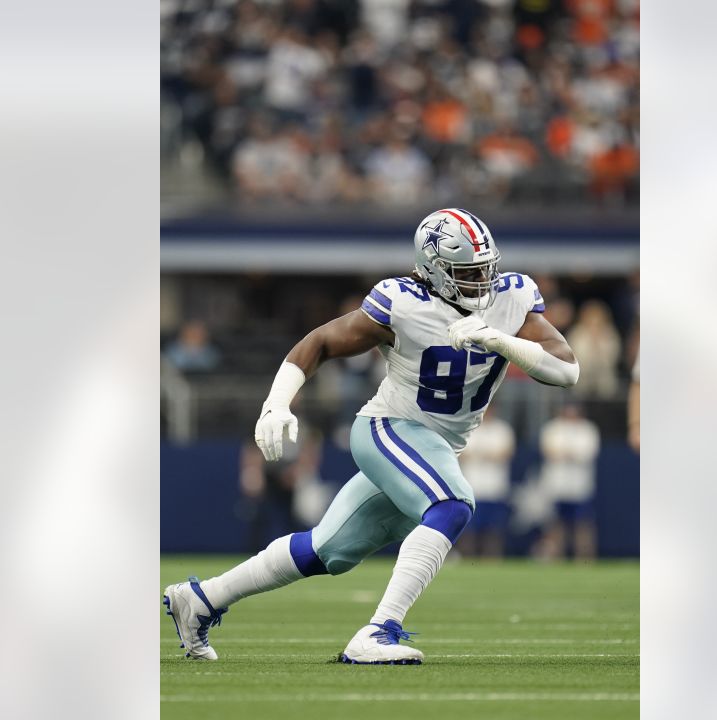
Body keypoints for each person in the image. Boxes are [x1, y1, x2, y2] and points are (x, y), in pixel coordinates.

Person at [163, 209, 580, 664]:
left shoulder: (512, 297)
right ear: (436, 271)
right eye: (468, 272)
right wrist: (275, 404)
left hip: (435, 448)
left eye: (486, 268)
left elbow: (566, 370)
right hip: (389, 429)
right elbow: (320, 342)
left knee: (328, 551)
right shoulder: (402, 302)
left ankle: (201, 598)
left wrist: (500, 340)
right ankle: (379, 631)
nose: (483, 281)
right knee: (451, 505)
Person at [535, 403, 602, 561]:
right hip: (556, 486)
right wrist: (569, 453)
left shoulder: (588, 429)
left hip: (580, 487)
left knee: (582, 525)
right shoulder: (552, 428)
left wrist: (566, 453)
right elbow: (548, 451)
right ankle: (557, 558)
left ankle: (584, 560)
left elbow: (588, 453)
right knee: (556, 525)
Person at [456, 406, 516, 558]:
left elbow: (506, 452)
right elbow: (460, 453)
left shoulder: (502, 429)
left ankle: (492, 557)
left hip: (494, 486)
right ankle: (467, 556)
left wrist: (481, 454)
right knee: (469, 527)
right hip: (471, 486)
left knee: (494, 528)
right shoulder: (467, 427)